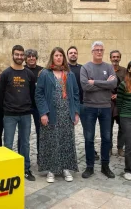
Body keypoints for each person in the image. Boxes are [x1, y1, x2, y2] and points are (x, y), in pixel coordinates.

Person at [35, 47, 80, 183]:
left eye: (61, 55)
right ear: (52, 57)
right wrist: (43, 113)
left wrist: (76, 112)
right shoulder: (45, 74)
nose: (59, 58)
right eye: (56, 55)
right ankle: (51, 170)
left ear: (63, 58)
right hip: (51, 114)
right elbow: (39, 94)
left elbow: (76, 94)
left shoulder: (70, 74)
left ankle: (65, 168)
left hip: (67, 113)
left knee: (66, 140)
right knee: (51, 141)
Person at [0, 45, 37, 181]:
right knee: (8, 143)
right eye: (17, 54)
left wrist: (29, 107)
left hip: (25, 113)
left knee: (25, 143)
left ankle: (25, 169)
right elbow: (0, 94)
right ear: (12, 55)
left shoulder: (29, 74)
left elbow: (32, 94)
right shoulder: (6, 74)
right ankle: (8, 169)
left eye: (21, 55)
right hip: (10, 114)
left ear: (24, 57)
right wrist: (6, 108)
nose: (19, 57)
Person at [80, 41, 117, 179]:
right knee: (89, 138)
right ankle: (90, 167)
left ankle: (105, 166)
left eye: (101, 50)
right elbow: (85, 86)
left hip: (106, 107)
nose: (99, 52)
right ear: (92, 51)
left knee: (106, 138)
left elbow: (113, 84)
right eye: (97, 50)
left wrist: (94, 82)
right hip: (89, 107)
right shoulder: (86, 67)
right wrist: (105, 83)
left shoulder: (109, 67)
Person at [67, 46, 99, 161]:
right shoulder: (64, 69)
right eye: (71, 53)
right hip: (69, 104)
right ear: (67, 55)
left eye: (75, 52)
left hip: (84, 103)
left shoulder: (83, 68)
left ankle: (91, 150)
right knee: (68, 130)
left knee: (88, 130)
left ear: (77, 54)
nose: (73, 54)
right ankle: (68, 152)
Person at [23, 49, 43, 157]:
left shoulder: (42, 71)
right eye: (29, 56)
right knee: (24, 133)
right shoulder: (22, 70)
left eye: (33, 56)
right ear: (25, 59)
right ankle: (23, 156)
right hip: (25, 105)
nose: (31, 58)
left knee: (40, 132)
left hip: (38, 106)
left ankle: (41, 156)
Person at [109, 50, 126, 157]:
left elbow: (129, 85)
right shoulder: (106, 69)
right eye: (113, 57)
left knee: (123, 127)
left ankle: (120, 148)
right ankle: (109, 148)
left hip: (122, 102)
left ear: (120, 58)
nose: (115, 58)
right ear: (110, 58)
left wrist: (119, 95)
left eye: (117, 57)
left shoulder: (125, 71)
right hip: (108, 102)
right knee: (108, 127)